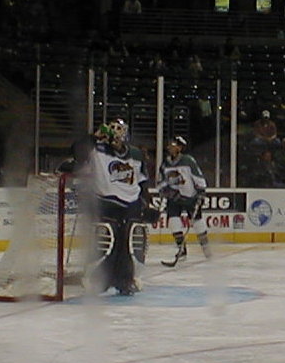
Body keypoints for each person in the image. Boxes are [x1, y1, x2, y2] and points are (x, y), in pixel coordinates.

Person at [84, 119, 154, 296]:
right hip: (106, 202)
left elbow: (142, 181)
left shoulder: (136, 154)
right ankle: (99, 279)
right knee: (107, 240)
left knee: (130, 242)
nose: (115, 132)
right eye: (112, 129)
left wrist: (147, 201)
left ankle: (126, 280)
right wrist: (94, 137)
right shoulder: (97, 149)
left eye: (119, 129)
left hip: (131, 204)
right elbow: (77, 152)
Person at [156, 136, 211, 262]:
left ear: (180, 148)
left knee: (197, 222)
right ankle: (181, 249)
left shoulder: (188, 160)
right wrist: (166, 191)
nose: (170, 147)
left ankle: (206, 247)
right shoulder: (165, 164)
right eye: (169, 145)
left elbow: (198, 176)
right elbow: (161, 182)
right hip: (174, 198)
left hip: (190, 196)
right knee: (173, 222)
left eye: (173, 145)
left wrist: (201, 191)